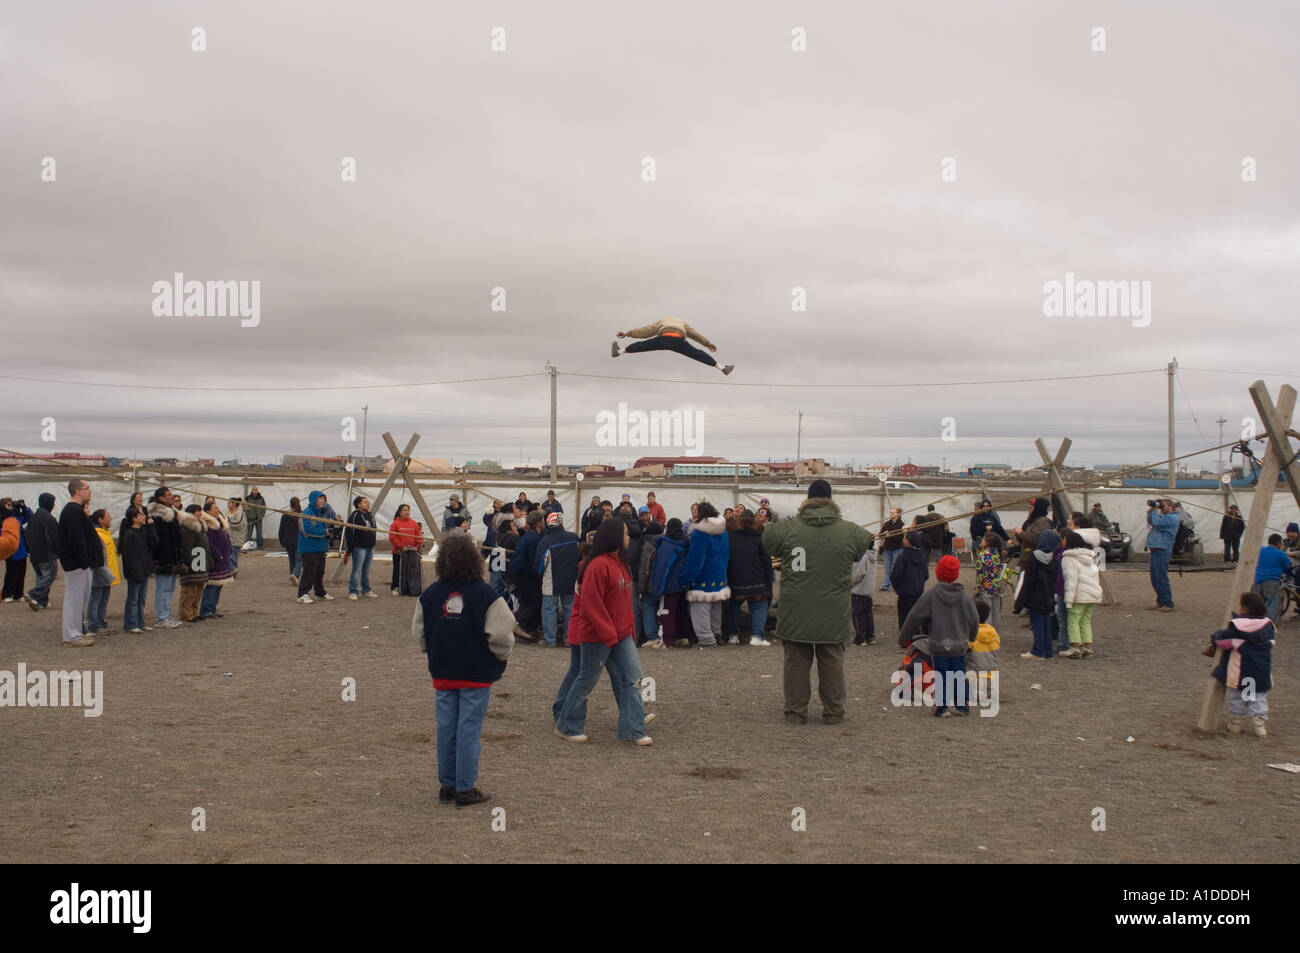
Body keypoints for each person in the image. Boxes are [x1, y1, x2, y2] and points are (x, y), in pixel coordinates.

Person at [413, 531, 515, 806]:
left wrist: (434, 653)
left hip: (444, 672)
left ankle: (447, 784)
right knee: (468, 730)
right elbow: (502, 635)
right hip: (476, 675)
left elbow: (419, 633)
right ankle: (465, 788)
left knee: (446, 728)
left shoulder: (430, 595)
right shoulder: (487, 595)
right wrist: (498, 658)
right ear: (473, 559)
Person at [762, 480, 874, 724]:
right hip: (833, 610)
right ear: (831, 500)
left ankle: (795, 712)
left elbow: (767, 537)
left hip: (796, 609)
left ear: (807, 500)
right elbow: (867, 541)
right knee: (832, 662)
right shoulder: (849, 531)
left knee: (796, 664)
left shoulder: (788, 527)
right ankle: (834, 712)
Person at [555, 517, 653, 744]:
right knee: (587, 679)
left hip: (621, 634)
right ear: (615, 537)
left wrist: (629, 630)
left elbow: (624, 603)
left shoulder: (622, 564)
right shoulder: (597, 566)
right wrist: (609, 634)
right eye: (626, 534)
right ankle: (567, 725)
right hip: (597, 635)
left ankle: (633, 729)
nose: (629, 537)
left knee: (633, 678)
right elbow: (592, 604)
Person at [898, 555, 979, 716]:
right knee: (959, 674)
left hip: (939, 644)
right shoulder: (964, 596)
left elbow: (914, 616)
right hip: (959, 645)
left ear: (937, 573)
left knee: (941, 676)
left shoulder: (932, 595)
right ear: (956, 574)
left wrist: (903, 637)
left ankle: (941, 707)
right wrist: (971, 638)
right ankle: (962, 705)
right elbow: (974, 619)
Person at [1206, 591, 1274, 737]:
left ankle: (1236, 722)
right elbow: (1272, 641)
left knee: (1237, 696)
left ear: (1245, 608)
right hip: (1261, 670)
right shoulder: (1268, 626)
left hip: (1241, 670)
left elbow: (1221, 640)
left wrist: (1215, 637)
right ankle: (1259, 723)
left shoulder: (1237, 627)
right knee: (1257, 696)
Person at [57, 479, 101, 647]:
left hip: (80, 562)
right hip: (76, 563)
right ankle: (72, 635)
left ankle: (76, 631)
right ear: (77, 491)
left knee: (80, 598)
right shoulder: (73, 511)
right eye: (87, 488)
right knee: (74, 598)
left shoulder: (77, 511)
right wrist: (83, 560)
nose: (90, 491)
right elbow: (76, 539)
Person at [612, 316, 734, 375]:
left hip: (664, 338)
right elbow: (695, 334)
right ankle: (722, 368)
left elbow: (646, 331)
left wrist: (628, 334)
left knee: (643, 345)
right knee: (697, 354)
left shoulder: (662, 321)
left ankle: (619, 352)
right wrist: (707, 343)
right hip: (678, 340)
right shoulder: (683, 324)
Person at [681, 501, 730, 647]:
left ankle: (706, 640)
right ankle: (716, 634)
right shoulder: (723, 532)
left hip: (703, 578)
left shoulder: (700, 534)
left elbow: (696, 560)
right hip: (719, 575)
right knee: (715, 609)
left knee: (700, 611)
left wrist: (687, 578)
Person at [725, 511, 774, 646]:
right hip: (757, 579)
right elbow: (766, 561)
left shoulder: (729, 536)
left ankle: (733, 635)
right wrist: (768, 582)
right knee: (759, 607)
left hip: (735, 578)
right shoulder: (757, 537)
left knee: (733, 608)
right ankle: (757, 636)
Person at [535, 512, 579, 647]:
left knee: (549, 609)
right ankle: (569, 639)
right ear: (560, 523)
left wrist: (539, 573)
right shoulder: (574, 537)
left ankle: (550, 640)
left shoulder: (546, 541)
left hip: (551, 580)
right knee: (570, 608)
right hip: (571, 579)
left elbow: (539, 563)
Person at [1014, 530, 1059, 660]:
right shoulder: (1054, 559)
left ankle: (1038, 651)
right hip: (1048, 597)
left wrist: (1020, 603)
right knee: (1046, 624)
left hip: (1035, 596)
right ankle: (1048, 650)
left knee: (1038, 625)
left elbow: (1028, 581)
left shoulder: (1034, 557)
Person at [649, 518, 691, 647]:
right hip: (682, 584)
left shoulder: (667, 545)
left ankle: (665, 640)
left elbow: (662, 568)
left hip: (669, 585)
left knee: (666, 611)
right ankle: (683, 637)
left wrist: (656, 589)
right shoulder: (686, 543)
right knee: (681, 611)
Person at [1060, 530, 1102, 658]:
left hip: (1079, 595)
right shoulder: (1090, 557)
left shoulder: (1068, 558)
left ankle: (1074, 647)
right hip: (1092, 594)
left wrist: (1069, 600)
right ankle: (1087, 647)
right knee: (1085, 621)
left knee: (1073, 620)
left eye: (1063, 539)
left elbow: (1071, 580)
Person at [146, 488, 183, 628]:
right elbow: (160, 539)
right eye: (169, 495)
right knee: (163, 587)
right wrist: (164, 555)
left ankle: (166, 614)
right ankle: (162, 617)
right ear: (161, 498)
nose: (171, 497)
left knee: (170, 587)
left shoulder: (171, 512)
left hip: (172, 555)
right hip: (163, 556)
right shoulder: (158, 514)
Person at [119, 505, 156, 633]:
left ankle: (140, 622)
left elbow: (154, 543)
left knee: (142, 599)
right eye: (141, 515)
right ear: (134, 518)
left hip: (144, 569)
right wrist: (136, 572)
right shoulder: (129, 535)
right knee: (133, 599)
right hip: (135, 572)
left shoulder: (143, 532)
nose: (144, 516)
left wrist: (151, 527)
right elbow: (129, 557)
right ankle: (130, 623)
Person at [509, 511, 545, 638]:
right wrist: (538, 576)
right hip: (523, 573)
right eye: (542, 520)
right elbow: (533, 560)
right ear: (538, 523)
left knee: (526, 600)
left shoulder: (528, 536)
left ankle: (529, 629)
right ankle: (521, 624)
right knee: (535, 600)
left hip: (517, 572)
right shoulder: (534, 538)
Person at [296, 490, 336, 604]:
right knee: (309, 572)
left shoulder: (321, 513)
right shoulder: (306, 513)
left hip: (320, 547)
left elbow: (322, 527)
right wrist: (325, 532)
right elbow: (307, 531)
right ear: (314, 500)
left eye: (323, 498)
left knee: (320, 572)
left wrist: (328, 531)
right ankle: (302, 593)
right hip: (309, 548)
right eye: (320, 498)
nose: (323, 501)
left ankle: (319, 592)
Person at [22, 492, 60, 611]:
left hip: (34, 554)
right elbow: (54, 537)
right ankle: (33, 594)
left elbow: (26, 534)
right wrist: (58, 551)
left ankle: (41, 601)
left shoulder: (33, 518)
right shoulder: (49, 518)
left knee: (41, 577)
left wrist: (30, 549)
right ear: (49, 504)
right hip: (46, 554)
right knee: (50, 575)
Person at [87, 509, 121, 636]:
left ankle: (101, 622)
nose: (111, 518)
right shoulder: (97, 534)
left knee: (103, 600)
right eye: (108, 516)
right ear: (100, 520)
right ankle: (93, 624)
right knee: (96, 598)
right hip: (99, 572)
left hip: (108, 572)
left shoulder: (105, 533)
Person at [199, 501, 233, 620]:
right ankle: (206, 609)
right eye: (215, 508)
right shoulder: (208, 524)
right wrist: (218, 555)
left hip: (223, 559)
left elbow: (225, 537)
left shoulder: (219, 521)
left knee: (219, 585)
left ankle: (213, 607)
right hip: (215, 559)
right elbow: (209, 542)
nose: (217, 509)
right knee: (212, 584)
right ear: (208, 511)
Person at [176, 504, 210, 622]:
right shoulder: (187, 527)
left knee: (198, 590)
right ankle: (186, 614)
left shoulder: (201, 526)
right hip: (192, 563)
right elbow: (187, 547)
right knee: (189, 591)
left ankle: (194, 612)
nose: (200, 513)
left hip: (201, 561)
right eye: (198, 511)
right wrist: (190, 562)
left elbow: (205, 546)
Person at [890, 531, 930, 628]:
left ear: (907, 540)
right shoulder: (921, 556)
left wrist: (898, 588)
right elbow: (926, 574)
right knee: (916, 618)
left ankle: (905, 640)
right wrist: (919, 584)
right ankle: (915, 637)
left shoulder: (903, 557)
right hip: (918, 593)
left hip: (905, 593)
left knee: (904, 619)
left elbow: (896, 575)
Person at [1145, 498, 1179, 611]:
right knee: (1155, 578)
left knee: (1161, 577)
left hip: (1163, 549)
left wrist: (1155, 509)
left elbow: (1156, 522)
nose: (1162, 508)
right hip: (1156, 549)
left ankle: (1168, 603)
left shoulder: (1172, 518)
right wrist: (1151, 511)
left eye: (1163, 506)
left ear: (1170, 507)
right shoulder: (1163, 517)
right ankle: (1161, 601)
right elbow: (1151, 521)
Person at [1251, 534, 1291, 623]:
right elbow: (1288, 566)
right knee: (1272, 604)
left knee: (1256, 604)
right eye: (1280, 543)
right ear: (1277, 543)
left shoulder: (1260, 550)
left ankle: (1254, 622)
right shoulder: (1280, 553)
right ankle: (1268, 624)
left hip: (1257, 580)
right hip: (1271, 581)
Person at [636, 519, 664, 645]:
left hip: (650, 583)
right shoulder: (665, 542)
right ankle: (662, 634)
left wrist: (641, 587)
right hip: (663, 582)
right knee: (662, 607)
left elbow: (644, 568)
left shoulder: (647, 545)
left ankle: (652, 636)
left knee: (648, 606)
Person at [345, 496, 378, 600]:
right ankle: (353, 591)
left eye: (368, 502)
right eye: (365, 502)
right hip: (359, 547)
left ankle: (366, 589)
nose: (368, 504)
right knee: (357, 569)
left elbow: (374, 529)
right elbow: (349, 532)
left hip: (370, 546)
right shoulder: (354, 516)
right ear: (358, 504)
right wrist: (350, 548)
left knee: (366, 570)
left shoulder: (370, 515)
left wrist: (373, 542)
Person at [388, 503, 423, 596]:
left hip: (412, 552)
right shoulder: (395, 524)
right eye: (404, 510)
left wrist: (417, 546)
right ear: (399, 512)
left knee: (410, 570)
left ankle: (408, 587)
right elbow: (392, 537)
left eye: (408, 510)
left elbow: (419, 536)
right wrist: (401, 546)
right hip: (399, 552)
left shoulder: (414, 523)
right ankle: (395, 587)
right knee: (397, 569)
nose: (407, 512)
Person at [1, 499, 32, 601]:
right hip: (10, 550)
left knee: (21, 573)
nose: (10, 507)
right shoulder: (3, 520)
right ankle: (6, 594)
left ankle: (18, 594)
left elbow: (31, 518)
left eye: (11, 505)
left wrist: (24, 508)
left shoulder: (17, 517)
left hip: (21, 550)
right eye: (8, 505)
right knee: (11, 573)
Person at [967, 599, 1000, 696]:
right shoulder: (993, 632)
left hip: (973, 672)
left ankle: (974, 689)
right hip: (990, 672)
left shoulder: (970, 633)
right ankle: (987, 688)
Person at [974, 533, 1004, 631]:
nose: (981, 541)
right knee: (996, 614)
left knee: (987, 613)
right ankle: (995, 634)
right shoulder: (997, 555)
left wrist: (978, 588)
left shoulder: (982, 556)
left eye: (983, 540)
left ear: (987, 542)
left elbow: (980, 574)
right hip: (996, 587)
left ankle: (987, 634)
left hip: (985, 588)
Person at [850, 545, 877, 646]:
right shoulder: (872, 555)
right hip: (868, 589)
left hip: (858, 590)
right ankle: (870, 636)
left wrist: (849, 583)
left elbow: (857, 575)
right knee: (868, 613)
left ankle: (861, 638)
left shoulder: (862, 556)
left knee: (858, 614)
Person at [1016, 498, 1054, 568]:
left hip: (1035, 562)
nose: (1030, 507)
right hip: (1027, 560)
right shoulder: (1033, 521)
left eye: (1033, 505)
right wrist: (1018, 535)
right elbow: (1025, 542)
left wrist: (1022, 533)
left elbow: (1038, 540)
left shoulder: (1042, 522)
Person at [879, 507, 905, 592]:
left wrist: (889, 535)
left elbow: (901, 537)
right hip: (887, 549)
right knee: (887, 568)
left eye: (893, 513)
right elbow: (880, 534)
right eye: (890, 513)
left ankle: (897, 585)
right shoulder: (887, 523)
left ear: (898, 514)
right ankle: (885, 585)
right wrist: (884, 534)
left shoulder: (902, 524)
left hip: (897, 549)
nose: (891, 514)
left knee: (895, 568)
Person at [279, 496, 302, 584]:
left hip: (288, 541)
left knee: (292, 559)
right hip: (298, 541)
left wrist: (281, 540)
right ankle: (295, 575)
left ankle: (293, 574)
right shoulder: (301, 514)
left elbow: (281, 529)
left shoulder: (285, 515)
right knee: (299, 559)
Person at [224, 498, 247, 576]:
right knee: (229, 555)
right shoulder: (228, 513)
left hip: (236, 539)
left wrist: (229, 519)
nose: (228, 504)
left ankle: (233, 570)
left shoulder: (240, 514)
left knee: (233, 556)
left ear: (234, 504)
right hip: (228, 538)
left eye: (229, 503)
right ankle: (230, 570)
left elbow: (238, 525)